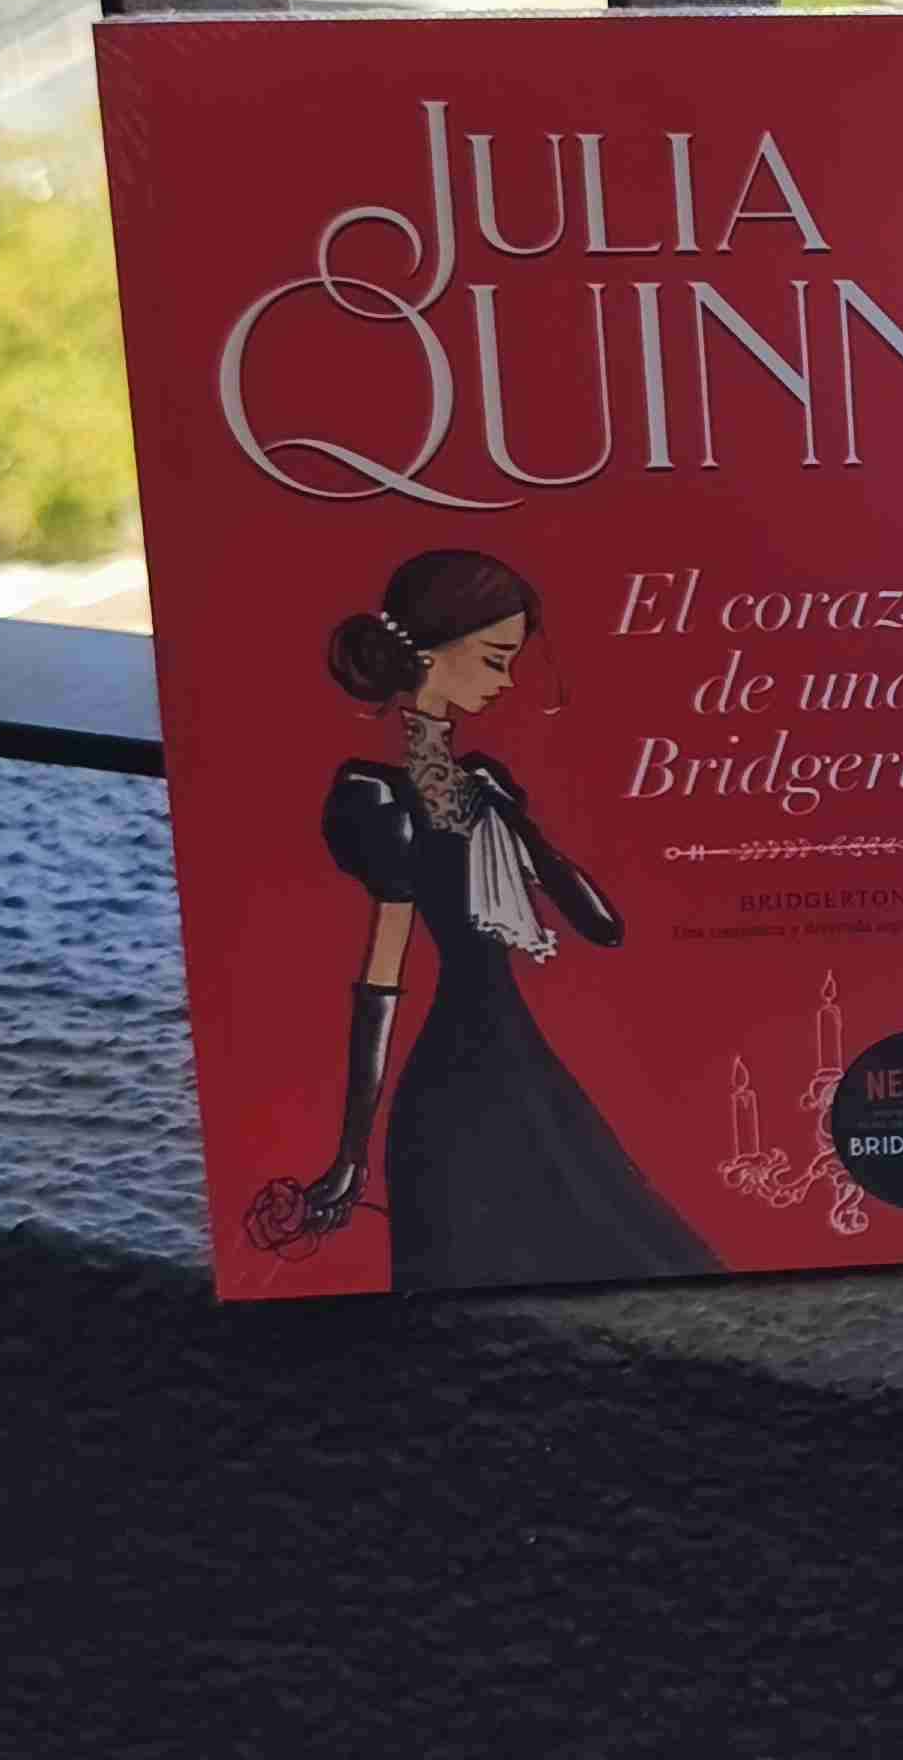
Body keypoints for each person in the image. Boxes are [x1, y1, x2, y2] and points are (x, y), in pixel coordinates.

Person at [253, 549, 718, 1287]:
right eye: (495, 659)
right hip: (450, 1079)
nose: (505, 682)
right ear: (428, 656)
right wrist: (350, 1152)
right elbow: (381, 980)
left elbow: (602, 926)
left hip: (518, 1059)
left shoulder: (487, 786)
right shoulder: (376, 800)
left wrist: (512, 817)